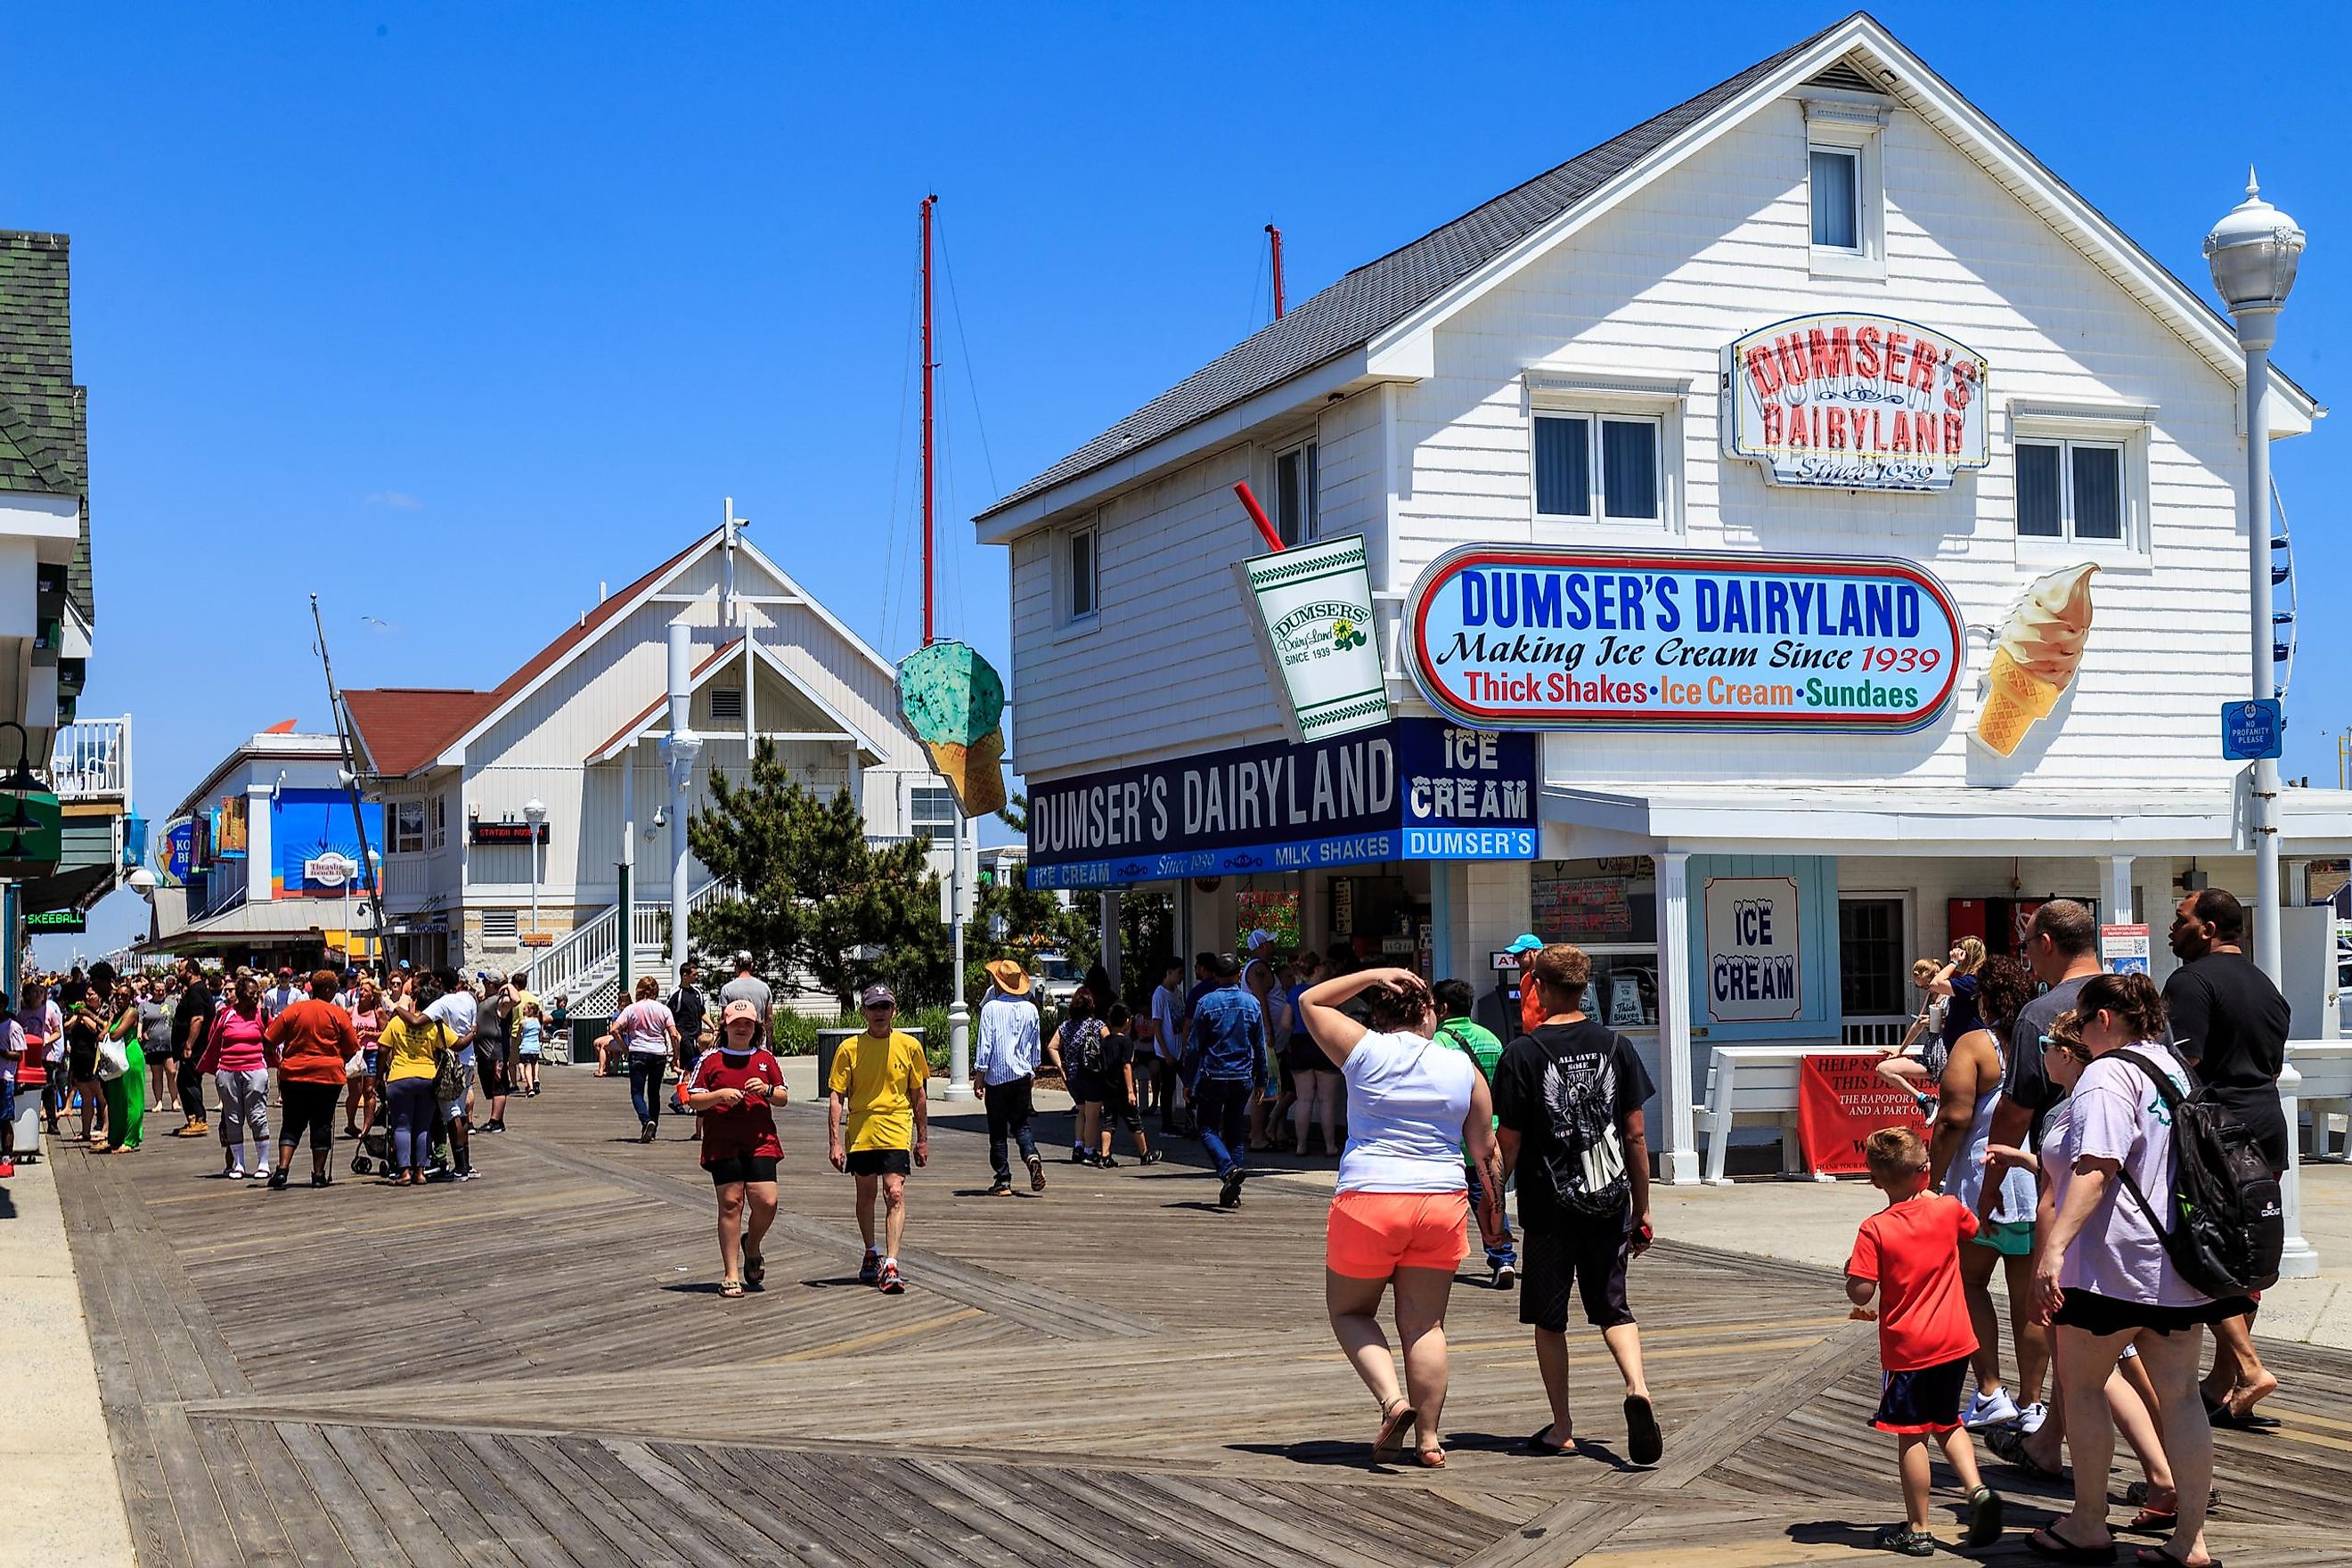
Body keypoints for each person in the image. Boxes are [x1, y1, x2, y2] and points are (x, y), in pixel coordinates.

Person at [2026, 970, 2241, 1568]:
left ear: (2102, 1020)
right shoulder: (2173, 1069)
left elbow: (2098, 1169)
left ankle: (2089, 1524)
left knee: (2084, 1386)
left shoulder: (2105, 1074)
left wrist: (2053, 1250)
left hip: (2110, 1265)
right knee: (2181, 1400)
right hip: (2178, 1269)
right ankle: (2189, 1542)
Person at [1297, 964, 1499, 1468]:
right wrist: (1494, 1214)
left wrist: (1368, 975)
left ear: (1379, 1010)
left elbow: (1311, 1003)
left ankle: (1393, 1402)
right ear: (1430, 1012)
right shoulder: (1462, 1068)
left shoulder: (1364, 1050)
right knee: (1425, 1326)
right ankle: (1429, 1440)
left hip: (1370, 1199)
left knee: (1350, 1312)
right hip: (1440, 1201)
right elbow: (1486, 1150)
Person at [1493, 943, 1661, 1466]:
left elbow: (1511, 1143)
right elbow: (1636, 1137)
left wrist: (1493, 1206)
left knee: (1550, 1318)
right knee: (1614, 1307)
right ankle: (1637, 1388)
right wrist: (1643, 1207)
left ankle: (1563, 1425)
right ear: (1585, 987)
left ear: (1537, 988)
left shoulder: (1522, 1053)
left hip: (1549, 1208)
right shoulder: (1616, 1045)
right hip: (1608, 1201)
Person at [1977, 897, 2103, 1467]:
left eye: (2027, 946)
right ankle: (2048, 1443)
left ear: (2047, 943)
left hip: (2066, 1193)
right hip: (2136, 1197)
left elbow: (2013, 1116)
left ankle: (2159, 1475)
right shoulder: (2141, 1003)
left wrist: (1984, 1196)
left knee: (2084, 1342)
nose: (2027, 958)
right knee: (2121, 1343)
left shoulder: (2039, 1014)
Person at [1844, 1126, 2004, 1557]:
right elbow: (1972, 1229)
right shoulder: (1948, 1209)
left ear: (1876, 1179)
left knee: (1911, 1434)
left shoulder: (1874, 1229)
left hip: (1908, 1349)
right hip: (1955, 1341)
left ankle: (1917, 1528)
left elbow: (1861, 1293)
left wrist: (1852, 1273)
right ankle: (1977, 1491)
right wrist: (1937, 1201)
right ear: (1926, 1171)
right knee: (1947, 1420)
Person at [2163, 887, 2290, 1428]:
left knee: (2204, 1249)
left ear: (2209, 929)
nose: (2173, 928)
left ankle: (2247, 1367)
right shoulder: (2266, 986)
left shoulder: (2190, 982)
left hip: (2217, 1133)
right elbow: (2273, 1065)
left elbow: (2183, 1066)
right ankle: (2220, 1383)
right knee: (2246, 1249)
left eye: (2181, 919)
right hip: (2267, 1125)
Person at [1928, 956, 2046, 1432]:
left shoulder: (1976, 1044)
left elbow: (1954, 1119)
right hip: (2033, 1180)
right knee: (2028, 1299)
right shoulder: (2039, 1042)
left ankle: (1991, 1391)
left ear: (1984, 999)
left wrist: (1932, 1180)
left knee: (1971, 1284)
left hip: (1982, 1180)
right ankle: (2033, 1402)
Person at [825, 983, 928, 1293]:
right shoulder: (849, 1049)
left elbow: (918, 1094)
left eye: (885, 1007)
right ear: (864, 1012)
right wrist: (834, 1141)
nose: (879, 1013)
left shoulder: (910, 1046)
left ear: (893, 1010)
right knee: (866, 1194)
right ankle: (871, 1251)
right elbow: (836, 1096)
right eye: (874, 1007)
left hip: (897, 1127)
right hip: (862, 1129)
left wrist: (922, 1138)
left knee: (894, 1192)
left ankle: (892, 1262)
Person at [683, 999, 787, 1298]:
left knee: (767, 1201)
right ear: (725, 1026)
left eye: (747, 1023)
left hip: (760, 1139)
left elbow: (782, 1096)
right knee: (731, 1203)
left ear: (755, 1028)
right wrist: (719, 1095)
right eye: (736, 1023)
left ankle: (751, 1244)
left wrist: (766, 1090)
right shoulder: (711, 1060)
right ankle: (730, 1273)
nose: (742, 1028)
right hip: (723, 1140)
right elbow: (693, 1099)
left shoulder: (765, 1058)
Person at [1434, 977, 1516, 1288]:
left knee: (1444, 1204)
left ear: (1441, 1008)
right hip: (1488, 1135)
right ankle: (1503, 1258)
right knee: (1491, 1197)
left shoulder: (1436, 1044)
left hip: (1453, 1138)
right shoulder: (1491, 1039)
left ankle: (1435, 1261)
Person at [1185, 952, 1267, 1209]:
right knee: (1234, 1132)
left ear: (1215, 976)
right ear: (1239, 975)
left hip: (1213, 1074)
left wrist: (1188, 1080)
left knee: (1207, 1127)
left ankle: (1228, 1169)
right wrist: (1262, 1079)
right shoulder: (1252, 1004)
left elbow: (1194, 1047)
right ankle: (1233, 1189)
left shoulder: (1205, 1003)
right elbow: (1260, 1045)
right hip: (1242, 1076)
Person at [262, 969, 357, 1188]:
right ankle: (318, 1175)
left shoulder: (293, 1010)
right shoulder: (337, 1014)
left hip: (294, 1074)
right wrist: (337, 1059)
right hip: (327, 1077)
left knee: (291, 1123)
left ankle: (283, 1169)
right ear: (327, 990)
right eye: (333, 989)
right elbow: (352, 1047)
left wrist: (280, 1058)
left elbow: (269, 1039)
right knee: (322, 1123)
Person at [974, 959, 1045, 1195]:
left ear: (998, 982)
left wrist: (979, 1075)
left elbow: (986, 1045)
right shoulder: (1031, 1009)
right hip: (1022, 1076)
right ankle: (1032, 1155)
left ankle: (1003, 1180)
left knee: (997, 1131)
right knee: (1021, 1125)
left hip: (997, 1077)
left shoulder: (991, 1009)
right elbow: (1035, 1047)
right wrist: (1032, 1069)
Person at [376, 977, 453, 1186]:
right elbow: (456, 1043)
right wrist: (473, 1032)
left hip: (399, 1078)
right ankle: (420, 1171)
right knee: (423, 1126)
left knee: (402, 1126)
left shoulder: (398, 1022)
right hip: (427, 1078)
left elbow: (382, 1048)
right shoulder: (435, 1025)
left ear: (416, 1002)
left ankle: (404, 1172)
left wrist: (379, 1077)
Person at [199, 972, 273, 1180]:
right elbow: (213, 1039)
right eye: (251, 993)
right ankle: (238, 1164)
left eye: (256, 993)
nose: (255, 996)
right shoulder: (225, 1015)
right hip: (228, 1071)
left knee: (257, 1116)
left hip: (255, 1069)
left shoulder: (262, 1014)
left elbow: (273, 1037)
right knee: (232, 1118)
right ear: (240, 994)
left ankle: (263, 1163)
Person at [601, 976, 680, 1143]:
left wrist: (624, 1047)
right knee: (654, 1093)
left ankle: (646, 1121)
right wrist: (675, 1057)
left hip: (638, 1052)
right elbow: (674, 1035)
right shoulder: (663, 1009)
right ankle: (653, 1129)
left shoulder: (631, 1009)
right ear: (656, 991)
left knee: (637, 1092)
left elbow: (614, 1029)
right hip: (659, 1053)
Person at [1286, 952, 1340, 1157]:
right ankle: (1330, 1146)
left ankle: (1301, 1145)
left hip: (1300, 1044)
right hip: (1323, 1044)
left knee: (1304, 1099)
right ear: (1317, 969)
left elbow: (1284, 1022)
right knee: (1326, 1100)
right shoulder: (1327, 992)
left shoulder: (1294, 992)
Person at [1048, 987, 1108, 1166]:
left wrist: (1060, 1066)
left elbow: (1052, 1046)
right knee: (1093, 1115)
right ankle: (1089, 1151)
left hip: (1072, 1075)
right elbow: (1110, 1043)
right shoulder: (1097, 1025)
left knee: (1081, 1112)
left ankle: (1078, 1146)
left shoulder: (1065, 1027)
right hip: (1092, 1073)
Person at [1094, 1003, 1160, 1167]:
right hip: (1122, 1089)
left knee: (1108, 1122)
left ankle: (1105, 1155)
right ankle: (1145, 1154)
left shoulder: (1105, 1042)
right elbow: (1126, 1066)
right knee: (1134, 1121)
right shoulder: (1126, 1043)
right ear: (1127, 1021)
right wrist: (1131, 1091)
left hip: (1107, 1087)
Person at [1876, 959, 1949, 1106]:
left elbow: (1963, 1025)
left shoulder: (1951, 994)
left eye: (1926, 986)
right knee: (1883, 1069)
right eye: (1920, 987)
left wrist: (1941, 1023)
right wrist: (1901, 1049)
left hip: (1948, 1055)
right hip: (1930, 1055)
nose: (1926, 990)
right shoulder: (1932, 995)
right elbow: (1917, 1025)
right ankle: (1925, 1100)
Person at [100, 976, 145, 1154]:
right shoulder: (117, 1014)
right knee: (117, 1100)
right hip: (116, 1059)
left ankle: (131, 1139)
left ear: (131, 997)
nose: (120, 999)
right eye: (118, 996)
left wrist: (109, 1025)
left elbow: (115, 1035)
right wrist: (108, 1022)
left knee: (132, 1100)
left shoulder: (132, 1012)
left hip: (130, 1056)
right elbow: (102, 1034)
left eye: (124, 996)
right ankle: (116, 1138)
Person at [168, 967, 212, 1136]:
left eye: (180, 969)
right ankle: (192, 1119)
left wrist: (189, 1045)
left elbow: (197, 1019)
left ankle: (199, 1120)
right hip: (193, 1048)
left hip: (194, 1049)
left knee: (189, 1082)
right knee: (184, 1081)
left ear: (190, 972)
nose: (178, 972)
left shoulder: (196, 992)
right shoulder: (196, 991)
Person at [344, 977, 388, 1138]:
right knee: (354, 1092)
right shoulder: (350, 1011)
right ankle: (350, 1123)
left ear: (372, 994)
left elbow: (386, 1033)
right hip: (354, 1052)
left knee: (369, 1091)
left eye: (366, 990)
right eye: (361, 989)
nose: (362, 992)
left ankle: (366, 1127)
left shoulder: (378, 1012)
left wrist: (369, 1033)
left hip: (371, 1052)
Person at [666, 960, 711, 1116]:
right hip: (684, 1037)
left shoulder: (697, 993)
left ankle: (678, 1099)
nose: (696, 977)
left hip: (698, 1036)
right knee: (690, 1070)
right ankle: (687, 1101)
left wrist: (713, 1027)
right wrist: (675, 1035)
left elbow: (702, 1013)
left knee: (696, 1069)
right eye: (694, 974)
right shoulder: (676, 994)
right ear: (685, 976)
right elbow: (668, 1015)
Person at [473, 985, 514, 1134]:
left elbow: (516, 999)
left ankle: (495, 1121)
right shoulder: (489, 1000)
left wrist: (508, 985)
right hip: (486, 1053)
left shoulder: (503, 1001)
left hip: (495, 1052)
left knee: (499, 1086)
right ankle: (497, 1120)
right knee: (493, 1086)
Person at [718, 952, 772, 1046]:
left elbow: (724, 1019)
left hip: (735, 1042)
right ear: (752, 965)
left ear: (736, 966)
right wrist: (769, 1043)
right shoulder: (765, 988)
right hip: (758, 1041)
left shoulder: (727, 989)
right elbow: (769, 1019)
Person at [140, 977, 176, 1117]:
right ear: (152, 991)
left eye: (163, 990)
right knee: (157, 1074)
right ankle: (159, 1101)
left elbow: (177, 1021)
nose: (161, 992)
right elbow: (140, 1022)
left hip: (169, 1043)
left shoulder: (172, 1003)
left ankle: (175, 1100)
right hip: (152, 1045)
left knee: (172, 1071)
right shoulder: (144, 1006)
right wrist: (141, 1033)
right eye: (157, 990)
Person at [0, 992, 20, 1177]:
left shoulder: (12, 1027)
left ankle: (7, 1156)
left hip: (5, 1079)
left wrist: (4, 1053)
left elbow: (19, 1054)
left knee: (5, 1119)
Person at [515, 996, 545, 1098]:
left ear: (530, 1011)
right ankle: (536, 1078)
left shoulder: (523, 1022)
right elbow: (540, 1034)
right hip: (535, 1047)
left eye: (525, 1009)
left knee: (527, 1067)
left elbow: (519, 1034)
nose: (523, 1010)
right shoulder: (538, 1022)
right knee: (535, 1063)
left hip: (525, 1047)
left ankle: (531, 1087)